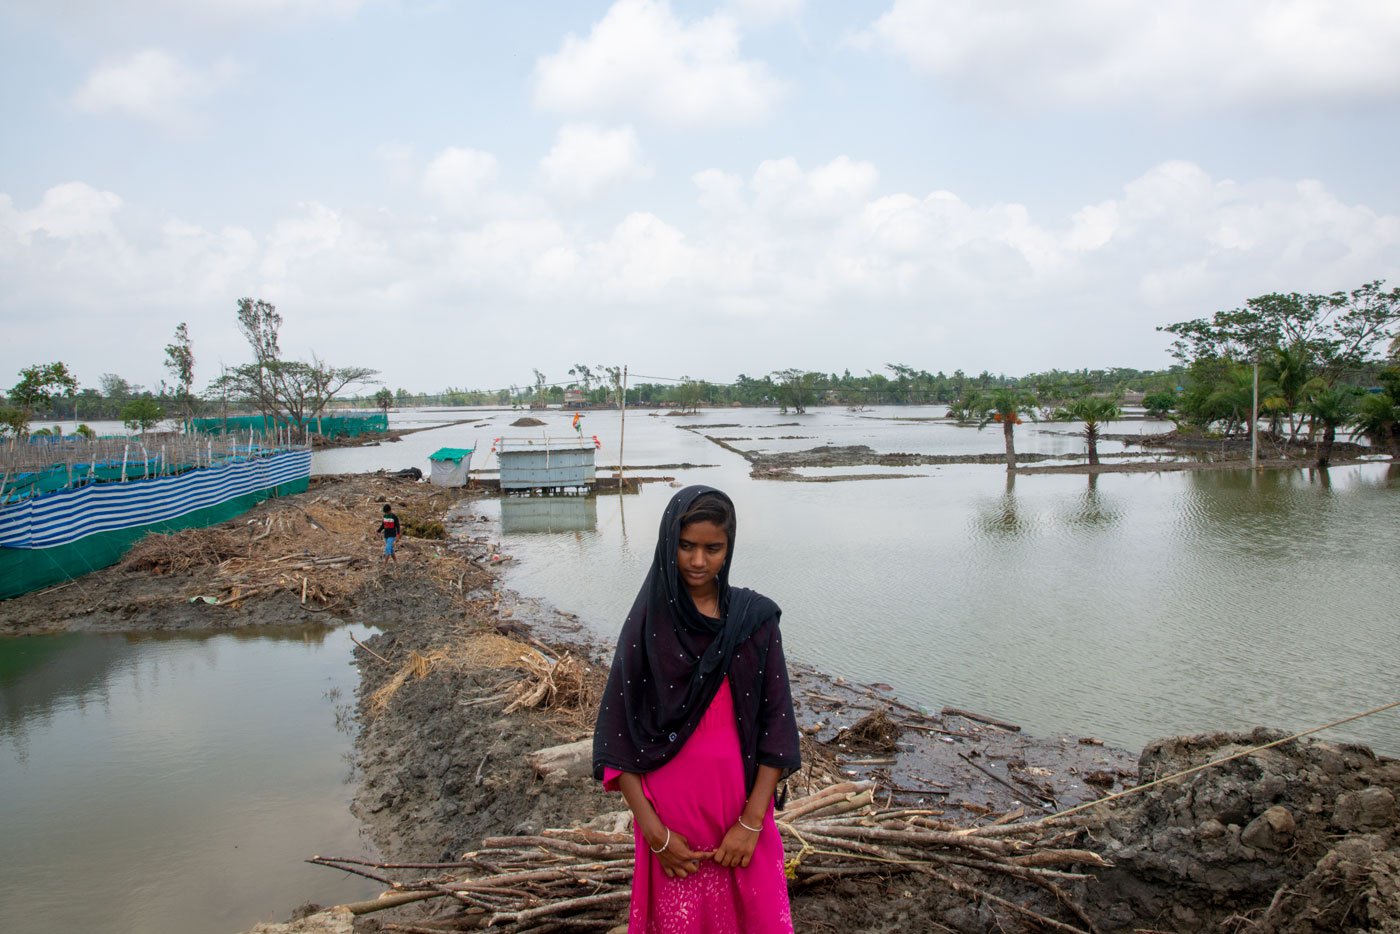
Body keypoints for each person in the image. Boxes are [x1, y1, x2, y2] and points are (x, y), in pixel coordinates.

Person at [593, 485, 800, 933]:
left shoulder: (754, 622)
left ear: (730, 547)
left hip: (742, 822)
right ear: (669, 542)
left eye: (713, 548)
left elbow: (777, 729)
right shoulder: (647, 627)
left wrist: (751, 823)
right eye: (686, 546)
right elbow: (615, 738)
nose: (698, 561)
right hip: (671, 832)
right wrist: (655, 835)